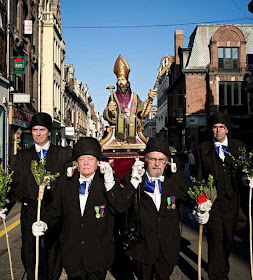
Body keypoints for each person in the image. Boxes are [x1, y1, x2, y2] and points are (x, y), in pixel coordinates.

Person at [32, 137, 137, 280]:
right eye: (82, 159)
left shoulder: (108, 182)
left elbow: (119, 207)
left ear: (98, 162)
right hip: (72, 255)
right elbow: (55, 211)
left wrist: (112, 183)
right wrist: (44, 223)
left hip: (99, 255)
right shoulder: (65, 183)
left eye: (90, 158)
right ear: (77, 163)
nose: (86, 163)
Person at [0, 112, 71, 280]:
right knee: (30, 256)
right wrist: (4, 207)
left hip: (55, 214)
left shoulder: (63, 156)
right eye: (35, 130)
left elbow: (69, 187)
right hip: (30, 213)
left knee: (53, 256)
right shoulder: (22, 158)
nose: (38, 133)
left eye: (42, 129)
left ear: (49, 132)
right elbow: (14, 187)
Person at [122, 136, 188, 280]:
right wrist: (134, 181)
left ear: (167, 162)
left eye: (161, 160)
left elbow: (189, 197)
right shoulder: (132, 179)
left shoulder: (174, 181)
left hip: (168, 246)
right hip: (142, 247)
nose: (157, 164)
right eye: (153, 159)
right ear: (146, 160)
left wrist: (201, 209)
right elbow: (121, 206)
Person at [194, 111, 246, 280]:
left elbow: (244, 172)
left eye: (221, 127)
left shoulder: (239, 147)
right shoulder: (203, 149)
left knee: (228, 239)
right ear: (211, 130)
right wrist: (202, 203)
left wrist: (249, 179)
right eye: (215, 128)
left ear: (227, 130)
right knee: (215, 239)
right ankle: (217, 275)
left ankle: (222, 267)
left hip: (232, 202)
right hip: (213, 202)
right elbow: (199, 178)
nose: (218, 131)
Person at [103, 55, 156, 143]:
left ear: (127, 81)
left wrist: (149, 99)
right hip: (117, 134)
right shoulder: (113, 97)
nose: (120, 82)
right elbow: (106, 115)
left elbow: (142, 111)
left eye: (123, 79)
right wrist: (110, 110)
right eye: (119, 80)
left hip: (133, 132)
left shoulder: (135, 97)